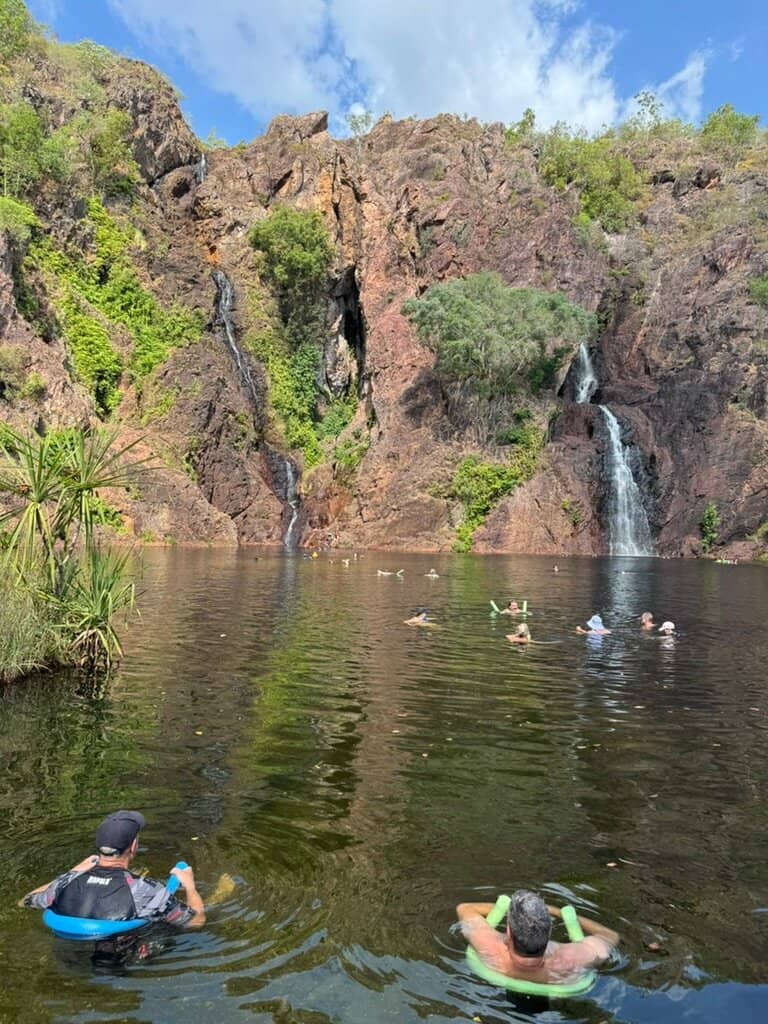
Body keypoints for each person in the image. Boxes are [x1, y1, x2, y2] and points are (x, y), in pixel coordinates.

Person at [18, 810, 205, 929]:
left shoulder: (66, 882)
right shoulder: (147, 891)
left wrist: (74, 871)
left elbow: (25, 902)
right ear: (133, 846)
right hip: (122, 959)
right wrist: (190, 886)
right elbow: (196, 922)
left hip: (70, 954)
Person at [457, 889, 619, 984]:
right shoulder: (573, 958)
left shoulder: (488, 944)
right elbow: (609, 935)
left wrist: (512, 912)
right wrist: (556, 912)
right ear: (549, 933)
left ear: (508, 932)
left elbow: (465, 908)